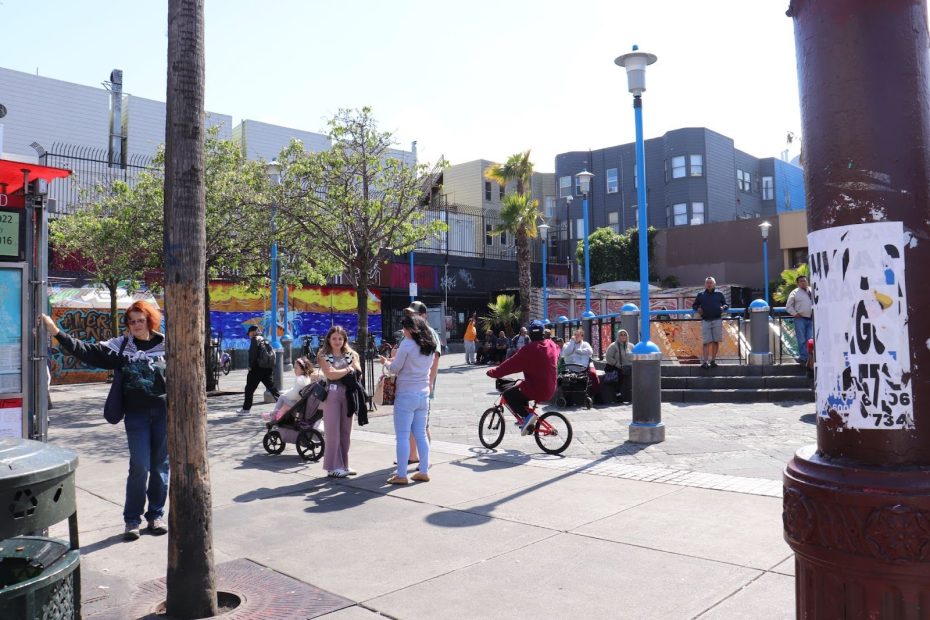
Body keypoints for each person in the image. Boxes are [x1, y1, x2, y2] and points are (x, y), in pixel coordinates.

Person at [40, 302, 168, 541]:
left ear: (150, 320)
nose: (136, 325)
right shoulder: (121, 347)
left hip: (163, 414)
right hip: (136, 415)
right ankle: (132, 520)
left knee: (160, 468)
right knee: (140, 466)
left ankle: (156, 515)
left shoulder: (166, 345)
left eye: (141, 320)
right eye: (132, 321)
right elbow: (86, 350)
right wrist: (56, 332)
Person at [379, 314, 437, 484]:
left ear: (411, 329)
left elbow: (396, 368)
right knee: (420, 434)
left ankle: (402, 474)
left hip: (406, 394)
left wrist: (385, 362)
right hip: (423, 393)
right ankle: (424, 470)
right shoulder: (429, 345)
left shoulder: (407, 344)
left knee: (402, 436)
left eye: (404, 328)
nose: (403, 331)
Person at [486, 321, 560, 435]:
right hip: (551, 388)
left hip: (536, 389)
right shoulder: (551, 344)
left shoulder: (528, 350)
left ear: (530, 334)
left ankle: (527, 418)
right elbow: (558, 351)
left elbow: (510, 365)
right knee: (520, 388)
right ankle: (527, 420)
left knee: (508, 395)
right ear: (542, 333)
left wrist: (493, 372)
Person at [318, 325, 361, 478]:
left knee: (346, 432)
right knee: (332, 433)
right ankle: (332, 467)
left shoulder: (352, 354)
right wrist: (347, 370)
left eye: (340, 338)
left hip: (348, 396)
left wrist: (344, 371)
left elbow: (358, 372)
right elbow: (330, 375)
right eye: (334, 338)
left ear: (345, 340)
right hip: (332, 395)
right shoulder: (323, 355)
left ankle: (344, 465)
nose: (337, 341)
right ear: (329, 339)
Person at [402, 301, 441, 464]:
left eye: (415, 313)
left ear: (424, 315)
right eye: (410, 314)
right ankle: (413, 456)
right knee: (410, 424)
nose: (411, 316)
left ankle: (424, 459)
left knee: (421, 425)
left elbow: (435, 359)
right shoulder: (411, 332)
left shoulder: (430, 333)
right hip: (410, 386)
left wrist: (430, 382)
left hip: (422, 386)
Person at [263, 356, 321, 426]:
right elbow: (295, 390)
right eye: (294, 367)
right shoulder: (305, 378)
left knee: (282, 397)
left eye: (296, 368)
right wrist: (287, 392)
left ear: (302, 369)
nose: (294, 370)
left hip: (298, 406)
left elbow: (294, 394)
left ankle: (272, 416)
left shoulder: (300, 379)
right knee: (285, 405)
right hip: (300, 404)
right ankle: (275, 417)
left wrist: (285, 394)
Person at [236, 325, 280, 416]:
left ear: (252, 332)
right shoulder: (265, 340)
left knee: (249, 389)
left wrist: (250, 366)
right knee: (272, 388)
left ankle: (245, 409)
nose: (249, 336)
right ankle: (285, 405)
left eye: (249, 334)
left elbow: (253, 355)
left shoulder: (255, 339)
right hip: (268, 368)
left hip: (257, 369)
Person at [692, 276, 729, 369]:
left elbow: (726, 304)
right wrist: (698, 308)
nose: (709, 284)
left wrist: (723, 307)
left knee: (716, 341)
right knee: (706, 342)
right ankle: (705, 362)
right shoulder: (700, 295)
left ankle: (713, 360)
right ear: (705, 284)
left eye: (710, 283)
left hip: (717, 320)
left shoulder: (719, 294)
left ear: (714, 284)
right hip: (705, 320)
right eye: (707, 283)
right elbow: (694, 305)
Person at [560, 328, 600, 395]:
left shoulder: (585, 344)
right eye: (575, 334)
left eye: (578, 335)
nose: (576, 336)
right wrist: (572, 343)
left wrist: (577, 351)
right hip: (571, 367)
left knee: (593, 374)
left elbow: (590, 352)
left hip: (583, 367)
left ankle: (596, 394)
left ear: (582, 337)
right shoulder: (567, 344)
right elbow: (566, 353)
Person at [785, 275, 814, 367]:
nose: (803, 282)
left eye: (805, 281)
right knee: (801, 339)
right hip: (800, 319)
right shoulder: (794, 292)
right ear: (797, 283)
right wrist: (795, 314)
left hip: (811, 319)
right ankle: (803, 358)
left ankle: (810, 358)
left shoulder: (812, 290)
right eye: (801, 281)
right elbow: (788, 306)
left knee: (810, 340)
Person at [605, 329, 634, 403]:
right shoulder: (613, 346)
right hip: (617, 367)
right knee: (618, 381)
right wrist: (617, 364)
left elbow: (635, 356)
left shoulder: (631, 346)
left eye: (625, 334)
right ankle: (618, 396)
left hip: (629, 367)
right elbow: (608, 357)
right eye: (621, 335)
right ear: (618, 336)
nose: (623, 336)